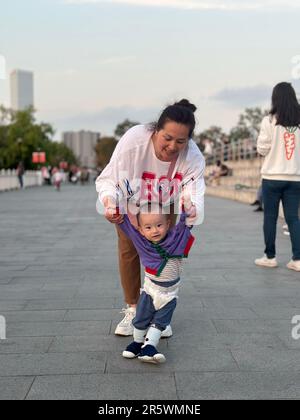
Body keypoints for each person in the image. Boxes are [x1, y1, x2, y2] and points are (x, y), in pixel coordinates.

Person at [95, 99, 205, 336]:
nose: (173, 146)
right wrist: (109, 201)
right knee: (129, 249)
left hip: (165, 203)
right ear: (156, 130)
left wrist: (192, 205)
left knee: (163, 251)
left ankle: (159, 310)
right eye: (167, 138)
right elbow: (109, 178)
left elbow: (193, 187)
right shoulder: (134, 141)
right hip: (131, 201)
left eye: (181, 141)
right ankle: (133, 308)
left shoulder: (193, 156)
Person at [117, 201, 195, 364]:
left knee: (161, 323)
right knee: (140, 319)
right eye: (148, 227)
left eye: (159, 225)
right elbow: (128, 229)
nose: (155, 230)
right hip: (151, 292)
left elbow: (184, 227)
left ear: (167, 224)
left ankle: (150, 347)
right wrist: (118, 212)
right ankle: (137, 343)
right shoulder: (142, 243)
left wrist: (187, 209)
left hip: (170, 295)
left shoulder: (175, 242)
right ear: (141, 230)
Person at [255, 82, 300, 272]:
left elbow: (262, 148)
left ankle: (270, 257)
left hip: (272, 177)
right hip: (295, 178)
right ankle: (297, 259)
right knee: (293, 218)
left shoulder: (269, 120)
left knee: (270, 218)